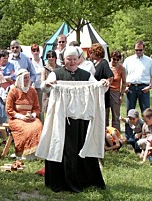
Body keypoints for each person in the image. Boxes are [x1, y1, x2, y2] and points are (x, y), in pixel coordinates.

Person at [36, 46, 107, 192]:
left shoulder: (86, 74)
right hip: (61, 119)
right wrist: (48, 85)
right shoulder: (57, 73)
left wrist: (104, 84)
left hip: (81, 119)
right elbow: (44, 87)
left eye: (75, 59)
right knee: (63, 147)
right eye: (69, 59)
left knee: (80, 147)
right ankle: (61, 181)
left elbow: (97, 87)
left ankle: (84, 179)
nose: (72, 62)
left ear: (79, 59)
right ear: (64, 59)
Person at [6, 69, 42, 158]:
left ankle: (35, 153)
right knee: (27, 129)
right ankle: (23, 154)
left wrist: (32, 115)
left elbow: (37, 108)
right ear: (20, 79)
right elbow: (9, 109)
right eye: (25, 78)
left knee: (38, 126)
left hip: (31, 118)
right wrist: (21, 117)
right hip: (16, 118)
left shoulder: (32, 91)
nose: (27, 80)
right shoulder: (13, 91)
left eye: (28, 78)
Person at [123, 41, 152, 142]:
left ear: (143, 49)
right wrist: (124, 86)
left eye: (140, 50)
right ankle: (129, 136)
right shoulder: (128, 60)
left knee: (146, 112)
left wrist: (149, 86)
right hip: (131, 87)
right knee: (130, 112)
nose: (138, 52)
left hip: (144, 88)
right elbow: (123, 75)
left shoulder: (149, 61)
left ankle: (146, 134)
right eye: (136, 50)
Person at [90, 43, 114, 127]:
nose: (90, 54)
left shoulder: (104, 63)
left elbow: (110, 76)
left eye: (91, 52)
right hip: (94, 96)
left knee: (103, 120)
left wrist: (107, 82)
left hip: (103, 96)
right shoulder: (93, 64)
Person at [40, 50, 62, 118]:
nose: (51, 58)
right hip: (47, 95)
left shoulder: (60, 68)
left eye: (53, 56)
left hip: (58, 94)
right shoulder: (44, 69)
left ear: (55, 58)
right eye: (49, 57)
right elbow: (42, 82)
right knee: (47, 116)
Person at [108, 50, 126, 131]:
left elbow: (124, 83)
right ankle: (105, 135)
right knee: (105, 114)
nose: (115, 61)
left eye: (117, 60)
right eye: (113, 59)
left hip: (115, 92)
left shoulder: (121, 68)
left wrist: (121, 95)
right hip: (106, 91)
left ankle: (116, 135)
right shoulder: (106, 66)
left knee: (115, 115)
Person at [30, 44, 44, 112]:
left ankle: (41, 122)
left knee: (40, 106)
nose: (36, 52)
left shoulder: (43, 61)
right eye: (34, 50)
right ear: (31, 52)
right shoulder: (30, 62)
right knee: (32, 106)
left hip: (41, 87)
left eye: (37, 50)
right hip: (32, 87)